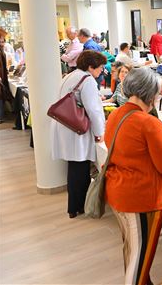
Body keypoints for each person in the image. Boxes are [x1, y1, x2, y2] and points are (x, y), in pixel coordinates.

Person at [104, 68, 162, 285]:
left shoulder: (116, 114)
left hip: (118, 191)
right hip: (140, 198)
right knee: (139, 257)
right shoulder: (147, 123)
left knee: (134, 250)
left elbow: (129, 149)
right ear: (151, 94)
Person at [51, 50, 106, 218]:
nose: (102, 71)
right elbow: (94, 110)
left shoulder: (72, 75)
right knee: (79, 169)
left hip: (65, 125)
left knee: (75, 167)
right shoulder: (87, 80)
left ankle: (74, 207)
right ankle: (77, 207)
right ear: (91, 66)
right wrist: (99, 133)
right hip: (76, 129)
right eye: (100, 67)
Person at [0, 28, 13, 124]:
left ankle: (0, 115)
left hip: (1, 74)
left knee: (0, 94)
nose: (3, 38)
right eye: (2, 36)